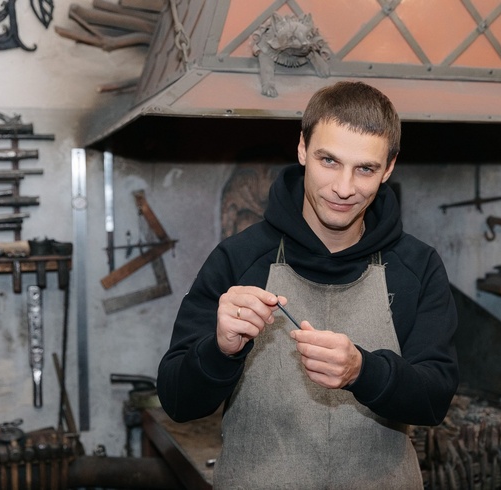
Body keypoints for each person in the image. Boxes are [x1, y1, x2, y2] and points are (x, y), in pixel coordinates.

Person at [157, 81, 459, 489]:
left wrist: (363, 371)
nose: (344, 188)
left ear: (388, 168)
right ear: (302, 148)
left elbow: (435, 400)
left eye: (365, 169)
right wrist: (220, 350)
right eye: (329, 161)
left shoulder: (416, 267)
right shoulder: (239, 259)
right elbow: (177, 402)